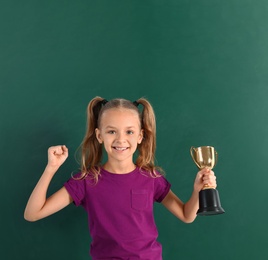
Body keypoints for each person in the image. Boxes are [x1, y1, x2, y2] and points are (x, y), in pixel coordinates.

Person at [24, 97, 217, 259]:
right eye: (111, 131)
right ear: (99, 136)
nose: (120, 139)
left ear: (140, 136)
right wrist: (51, 168)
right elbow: (32, 214)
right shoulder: (86, 181)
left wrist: (197, 190)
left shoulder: (151, 178)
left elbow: (186, 215)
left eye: (129, 131)